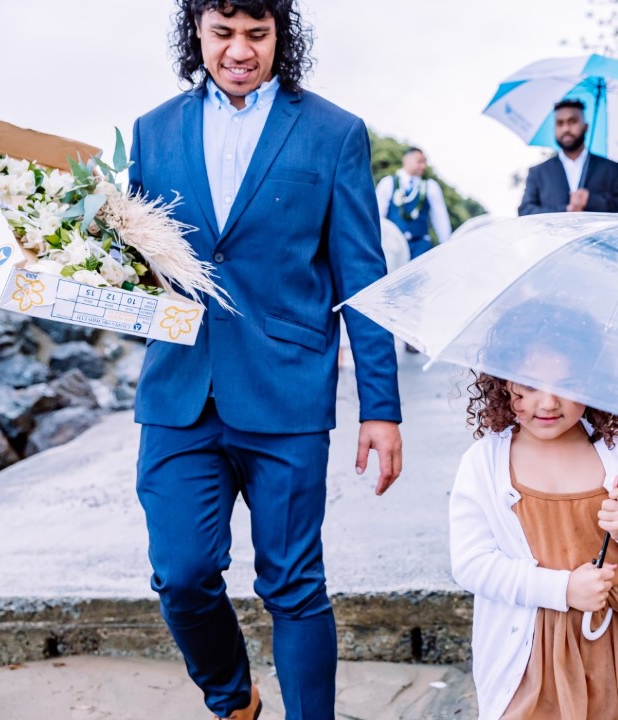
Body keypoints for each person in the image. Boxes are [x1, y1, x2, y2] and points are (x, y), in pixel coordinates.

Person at [127, 2, 403, 719]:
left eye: (257, 33)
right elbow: (125, 259)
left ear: (283, 35)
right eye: (223, 33)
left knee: (293, 585)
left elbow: (363, 277)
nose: (240, 50)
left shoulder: (335, 132)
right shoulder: (153, 132)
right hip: (178, 390)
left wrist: (381, 408)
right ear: (197, 32)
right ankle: (234, 700)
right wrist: (11, 240)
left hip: (287, 393)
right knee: (180, 574)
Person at [449, 300, 618, 720]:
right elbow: (471, 564)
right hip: (532, 652)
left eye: (568, 385)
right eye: (529, 385)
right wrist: (561, 589)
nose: (548, 402)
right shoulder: (484, 464)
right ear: (502, 382)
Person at [518, 99, 618, 216]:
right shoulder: (538, 173)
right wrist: (566, 210)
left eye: (572, 121)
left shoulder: (610, 168)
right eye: (560, 123)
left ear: (585, 127)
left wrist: (591, 200)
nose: (566, 129)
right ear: (554, 129)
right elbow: (525, 211)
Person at [375, 146, 452, 260]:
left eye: (424, 162)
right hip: (394, 249)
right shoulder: (388, 183)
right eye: (420, 162)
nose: (423, 166)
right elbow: (378, 218)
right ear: (406, 160)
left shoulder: (431, 186)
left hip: (421, 249)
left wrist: (447, 247)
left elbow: (441, 219)